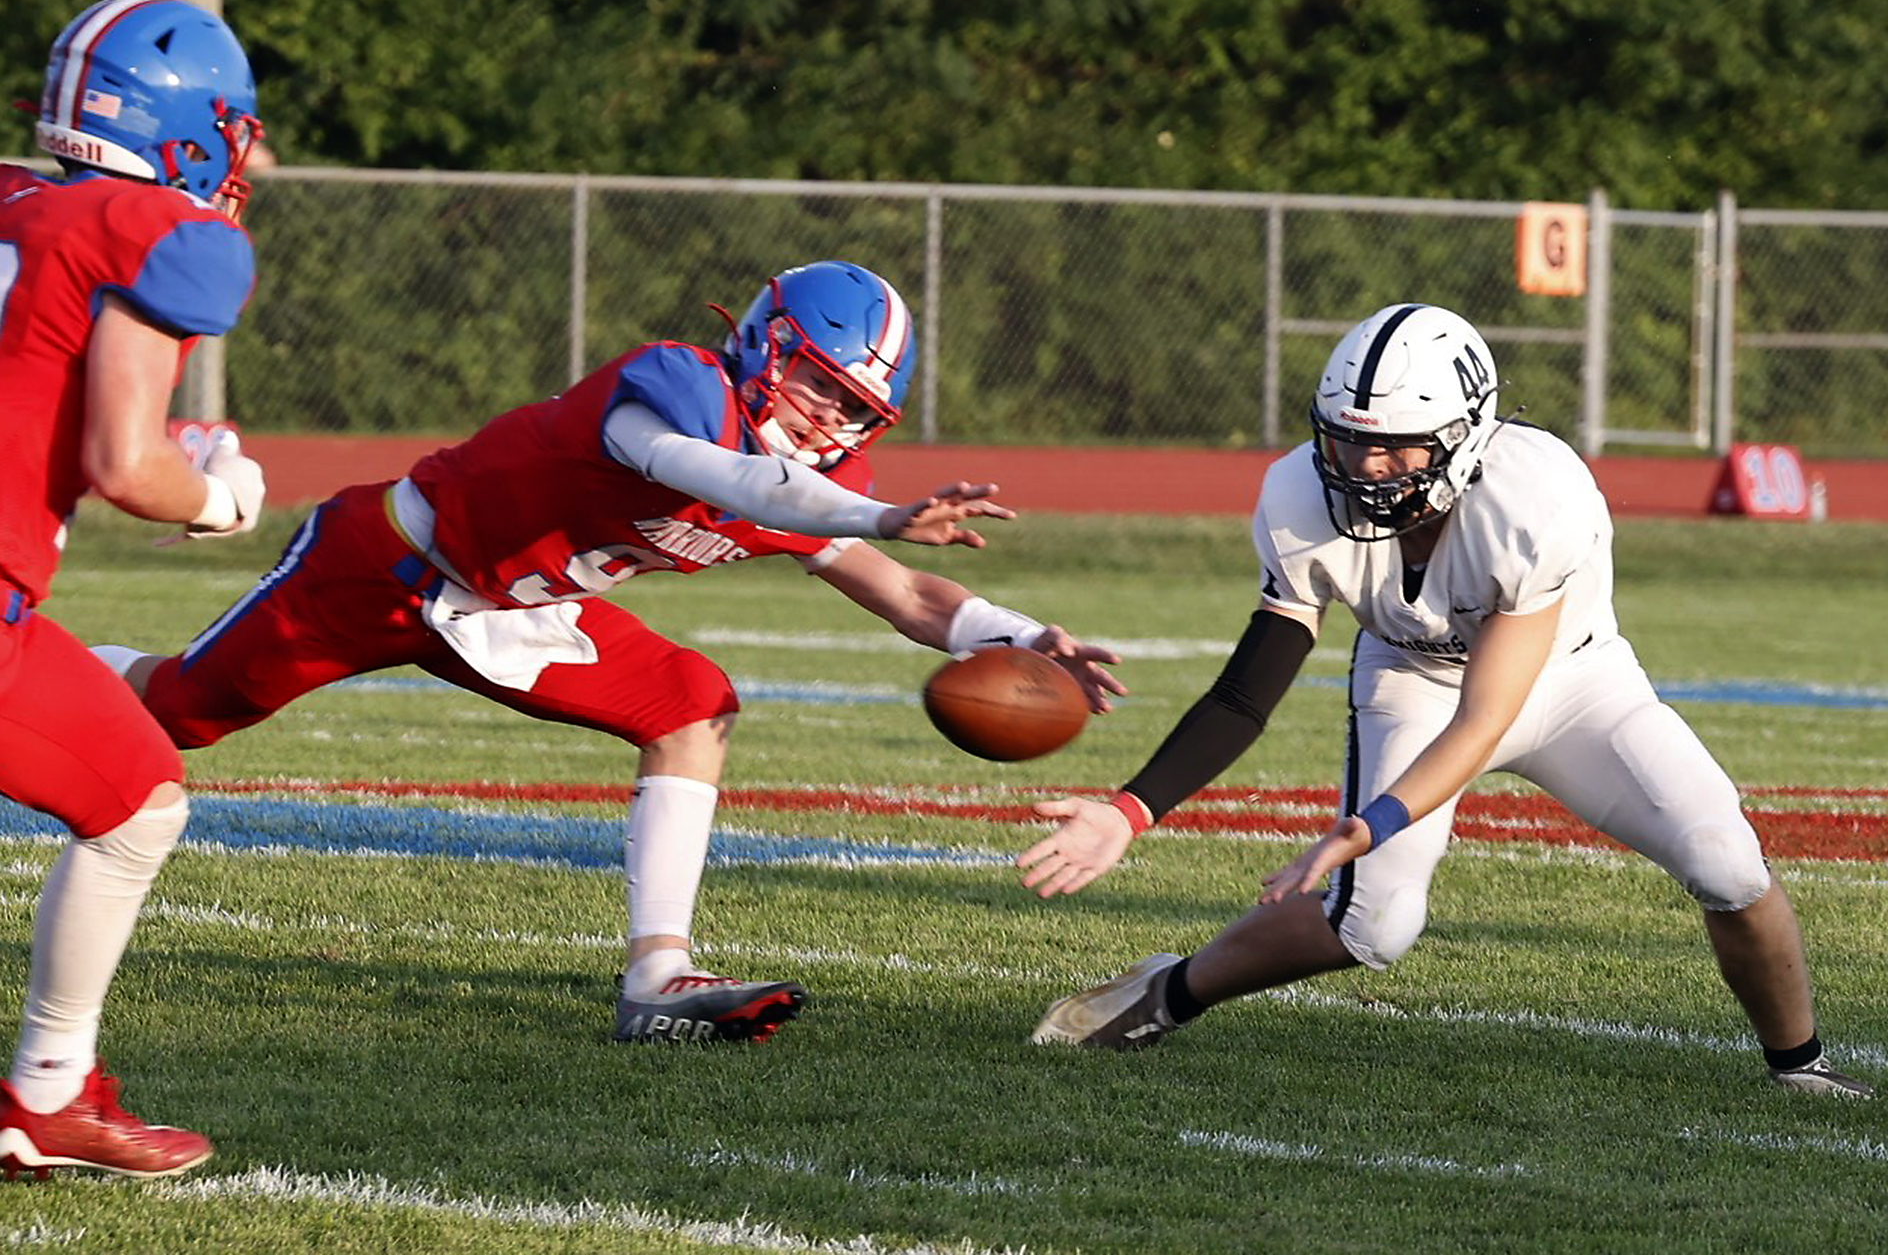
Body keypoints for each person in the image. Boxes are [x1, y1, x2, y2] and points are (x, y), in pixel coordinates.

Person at [97, 259, 1125, 1047]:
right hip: (388, 564)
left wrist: (1024, 635)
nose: (830, 422)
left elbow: (904, 592)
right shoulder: (674, 384)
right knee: (181, 710)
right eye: (819, 386)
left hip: (523, 613)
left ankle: (656, 977)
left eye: (856, 411)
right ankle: (31, 664)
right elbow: (717, 479)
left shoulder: (802, 478)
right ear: (769, 343)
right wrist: (881, 508)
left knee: (691, 701)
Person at [1016, 302, 1872, 1097]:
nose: (1364, 466)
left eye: (1394, 446)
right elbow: (1248, 691)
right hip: (1410, 676)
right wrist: (1129, 811)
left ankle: (1798, 1065)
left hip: (1573, 683)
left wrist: (1369, 820)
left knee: (1725, 857)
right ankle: (1166, 991)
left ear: (1463, 438)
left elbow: (1488, 716)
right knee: (1372, 926)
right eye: (1348, 441)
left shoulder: (1535, 497)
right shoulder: (1298, 495)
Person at [0, 0, 269, 1180]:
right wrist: (222, 497)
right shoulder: (168, 232)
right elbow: (125, 462)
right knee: (138, 801)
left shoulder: (16, 194)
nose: (246, 155)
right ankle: (46, 1091)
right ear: (195, 129)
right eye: (236, 131)